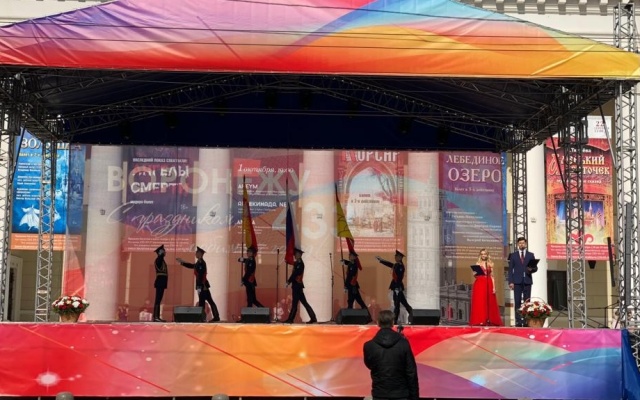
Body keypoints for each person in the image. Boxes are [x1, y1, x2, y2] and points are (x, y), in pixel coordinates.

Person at [363, 309, 419, 400]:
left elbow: (370, 365)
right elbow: (411, 372)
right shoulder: (403, 343)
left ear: (378, 323)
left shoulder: (369, 345)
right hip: (401, 393)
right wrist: (414, 396)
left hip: (380, 393)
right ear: (393, 323)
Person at [177, 246, 220, 322]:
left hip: (202, 286)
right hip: (202, 285)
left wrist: (200, 286)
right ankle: (211, 317)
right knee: (206, 301)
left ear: (200, 254)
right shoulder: (198, 263)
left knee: (203, 302)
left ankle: (204, 318)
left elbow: (201, 275)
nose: (196, 254)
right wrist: (182, 262)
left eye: (197, 252)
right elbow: (192, 266)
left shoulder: (201, 263)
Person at [376, 250, 413, 325]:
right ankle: (412, 315)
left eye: (397, 257)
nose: (395, 258)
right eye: (395, 256)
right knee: (404, 304)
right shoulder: (397, 265)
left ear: (400, 258)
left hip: (397, 288)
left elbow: (399, 278)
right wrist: (381, 260)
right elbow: (390, 264)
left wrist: (397, 288)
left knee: (397, 305)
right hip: (396, 288)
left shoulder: (401, 266)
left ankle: (395, 321)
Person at [508, 237, 538, 327]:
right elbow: (510, 270)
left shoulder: (530, 255)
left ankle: (526, 321)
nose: (521, 244)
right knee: (517, 301)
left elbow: (535, 267)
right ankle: (518, 321)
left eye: (523, 243)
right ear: (518, 244)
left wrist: (531, 269)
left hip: (527, 281)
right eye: (520, 243)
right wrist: (511, 281)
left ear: (526, 244)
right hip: (517, 281)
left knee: (527, 301)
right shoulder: (513, 255)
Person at [283, 247, 317, 324]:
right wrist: (288, 261)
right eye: (295, 254)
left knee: (295, 303)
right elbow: (293, 264)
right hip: (298, 286)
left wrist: (288, 281)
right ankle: (313, 318)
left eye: (296, 254)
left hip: (297, 286)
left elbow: (295, 274)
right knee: (304, 303)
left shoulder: (300, 263)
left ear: (300, 255)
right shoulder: (298, 263)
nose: (295, 255)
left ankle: (290, 319)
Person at [469, 249, 503, 326]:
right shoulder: (478, 263)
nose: (483, 255)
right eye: (482, 254)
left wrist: (494, 287)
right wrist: (474, 274)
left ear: (487, 255)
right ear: (480, 255)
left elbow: (492, 276)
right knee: (480, 302)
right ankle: (480, 320)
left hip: (488, 283)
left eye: (484, 254)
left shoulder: (491, 263)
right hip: (479, 284)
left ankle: (489, 319)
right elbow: (476, 276)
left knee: (489, 302)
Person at [342, 250, 372, 322]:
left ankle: (368, 317)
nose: (349, 256)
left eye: (351, 256)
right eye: (349, 255)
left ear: (354, 257)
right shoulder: (351, 264)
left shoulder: (354, 265)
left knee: (356, 301)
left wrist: (346, 286)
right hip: (351, 286)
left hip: (353, 286)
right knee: (352, 301)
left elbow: (350, 277)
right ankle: (349, 318)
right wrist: (344, 262)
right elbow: (349, 264)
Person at [152, 244, 168, 322]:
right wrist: (161, 254)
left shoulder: (162, 260)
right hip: (160, 282)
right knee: (158, 300)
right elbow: (160, 259)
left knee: (159, 300)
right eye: (163, 251)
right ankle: (156, 317)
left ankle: (157, 316)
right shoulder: (158, 260)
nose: (165, 252)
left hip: (162, 282)